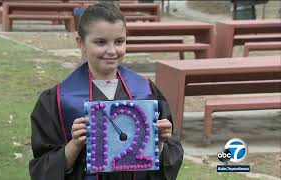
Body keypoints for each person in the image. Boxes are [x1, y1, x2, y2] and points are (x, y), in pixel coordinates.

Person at [29, 3, 183, 180]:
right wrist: (75, 145)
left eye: (119, 41)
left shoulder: (146, 91)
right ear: (81, 43)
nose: (111, 51)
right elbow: (42, 169)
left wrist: (160, 142)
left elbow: (170, 158)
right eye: (100, 42)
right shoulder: (56, 100)